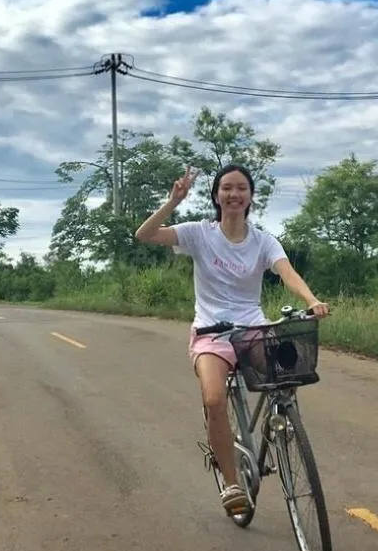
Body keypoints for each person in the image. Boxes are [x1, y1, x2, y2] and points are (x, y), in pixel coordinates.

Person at [135, 163, 330, 515]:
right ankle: (231, 483)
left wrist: (311, 300)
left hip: (252, 328)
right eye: (226, 187)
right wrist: (173, 201)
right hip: (211, 332)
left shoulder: (263, 241)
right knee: (213, 400)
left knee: (286, 371)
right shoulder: (199, 233)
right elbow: (145, 235)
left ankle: (282, 420)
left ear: (251, 196)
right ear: (216, 195)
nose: (234, 194)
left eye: (241, 188)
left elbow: (287, 272)